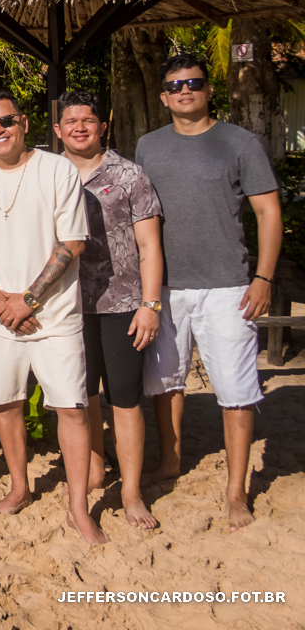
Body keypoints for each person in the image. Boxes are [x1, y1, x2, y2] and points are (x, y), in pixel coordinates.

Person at [135, 54, 281, 532]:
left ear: (208, 89)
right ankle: (170, 462)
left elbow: (268, 213)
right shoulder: (148, 146)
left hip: (229, 286)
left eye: (193, 83)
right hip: (166, 287)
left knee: (237, 390)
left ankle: (236, 492)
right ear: (163, 96)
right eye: (175, 85)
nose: (184, 91)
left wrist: (263, 278)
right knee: (165, 383)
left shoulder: (240, 142)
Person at [0, 91, 108, 545]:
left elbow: (73, 243)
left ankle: (78, 508)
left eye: (5, 121)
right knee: (6, 404)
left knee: (71, 409)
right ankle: (20, 487)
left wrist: (29, 300)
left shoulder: (57, 170)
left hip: (55, 316)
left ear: (23, 123)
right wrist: (5, 304)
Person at [53, 91, 163, 530]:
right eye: (70, 120)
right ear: (58, 129)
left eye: (88, 119)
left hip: (122, 301)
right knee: (82, 393)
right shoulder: (47, 172)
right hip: (66, 302)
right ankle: (95, 468)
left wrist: (150, 305)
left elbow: (150, 246)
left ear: (103, 126)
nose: (79, 126)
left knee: (124, 397)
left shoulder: (131, 175)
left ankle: (132, 492)